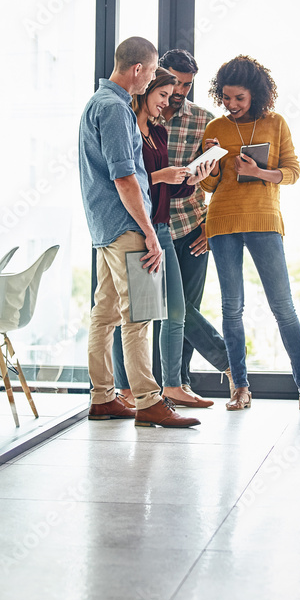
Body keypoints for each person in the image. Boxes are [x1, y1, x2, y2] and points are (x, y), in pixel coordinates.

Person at [78, 36, 200, 428]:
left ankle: (102, 397)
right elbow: (126, 177)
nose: (151, 82)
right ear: (137, 70)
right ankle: (148, 400)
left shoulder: (97, 103)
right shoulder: (115, 109)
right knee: (139, 316)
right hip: (127, 224)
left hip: (105, 226)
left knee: (106, 314)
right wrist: (149, 232)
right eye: (151, 74)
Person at [199, 54, 300, 414]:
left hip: (264, 220)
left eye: (239, 98)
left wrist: (258, 172)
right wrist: (207, 163)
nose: (231, 105)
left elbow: (293, 172)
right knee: (231, 309)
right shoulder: (215, 129)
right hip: (222, 221)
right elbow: (209, 186)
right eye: (226, 97)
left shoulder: (276, 123)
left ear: (255, 94)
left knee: (283, 307)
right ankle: (240, 388)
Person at [111, 68, 219, 408]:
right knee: (135, 315)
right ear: (147, 91)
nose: (168, 102)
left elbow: (165, 187)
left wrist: (195, 177)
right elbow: (125, 180)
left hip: (162, 227)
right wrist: (162, 176)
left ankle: (172, 385)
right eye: (162, 95)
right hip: (137, 228)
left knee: (176, 312)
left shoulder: (156, 131)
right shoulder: (127, 126)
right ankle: (127, 389)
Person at [157, 48, 234, 401]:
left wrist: (208, 225)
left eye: (187, 85)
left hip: (192, 225)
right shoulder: (145, 116)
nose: (180, 92)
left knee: (187, 307)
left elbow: (215, 183)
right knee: (174, 308)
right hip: (154, 228)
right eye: (175, 83)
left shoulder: (203, 120)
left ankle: (180, 382)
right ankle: (228, 360)